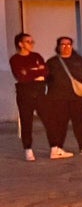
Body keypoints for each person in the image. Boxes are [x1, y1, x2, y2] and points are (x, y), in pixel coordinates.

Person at [44, 36, 82, 158]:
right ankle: (58, 148)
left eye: (69, 44)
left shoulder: (79, 60)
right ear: (58, 47)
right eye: (63, 44)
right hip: (58, 98)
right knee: (61, 123)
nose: (66, 47)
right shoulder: (52, 62)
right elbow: (46, 78)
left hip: (78, 97)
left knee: (79, 122)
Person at [10, 32, 48, 162]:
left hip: (40, 92)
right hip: (24, 93)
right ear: (20, 44)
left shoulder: (37, 56)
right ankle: (28, 149)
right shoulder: (15, 59)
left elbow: (44, 71)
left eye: (32, 41)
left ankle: (55, 147)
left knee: (50, 118)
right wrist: (35, 73)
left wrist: (31, 73)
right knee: (26, 121)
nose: (31, 44)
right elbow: (21, 76)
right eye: (28, 41)